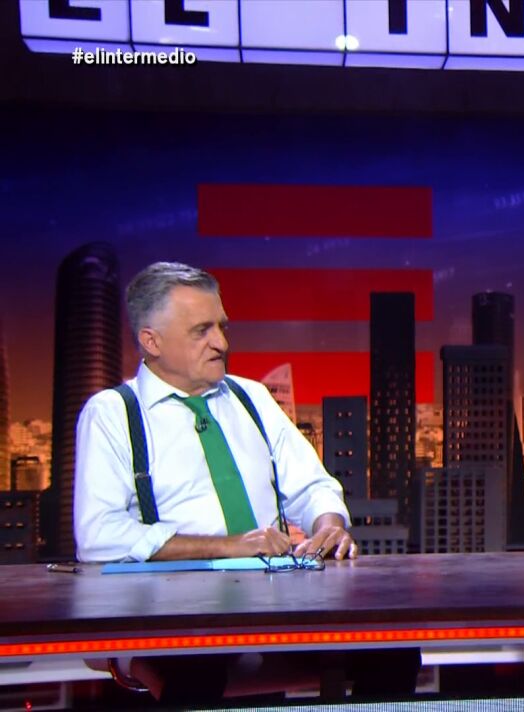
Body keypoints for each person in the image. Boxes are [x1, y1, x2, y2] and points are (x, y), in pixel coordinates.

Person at [73, 261, 418, 701]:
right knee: (195, 673)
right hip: (177, 609)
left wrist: (328, 525)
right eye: (201, 331)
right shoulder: (112, 413)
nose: (221, 343)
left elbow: (311, 485)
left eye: (222, 326)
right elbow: (99, 535)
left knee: (393, 652)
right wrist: (228, 546)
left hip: (276, 601)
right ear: (151, 341)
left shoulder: (250, 397)